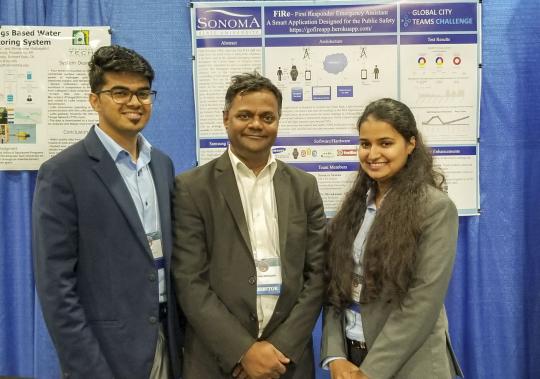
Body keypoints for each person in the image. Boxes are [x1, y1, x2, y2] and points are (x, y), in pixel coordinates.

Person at [32, 45, 183, 379]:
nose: (134, 102)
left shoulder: (162, 164)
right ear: (94, 100)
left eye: (143, 93)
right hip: (105, 352)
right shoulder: (63, 173)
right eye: (120, 92)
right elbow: (56, 286)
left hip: (166, 340)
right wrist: (87, 368)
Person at [172, 72, 326, 379]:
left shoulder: (304, 186)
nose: (256, 124)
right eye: (245, 115)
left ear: (278, 121)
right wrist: (243, 351)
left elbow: (318, 275)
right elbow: (189, 280)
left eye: (267, 117)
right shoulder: (192, 188)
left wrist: (277, 350)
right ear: (226, 119)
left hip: (287, 362)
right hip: (217, 361)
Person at [321, 98, 464, 379]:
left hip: (410, 365)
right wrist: (335, 354)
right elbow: (334, 286)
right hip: (352, 360)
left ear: (410, 144)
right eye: (365, 144)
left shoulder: (435, 208)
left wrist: (371, 371)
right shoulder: (354, 207)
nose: (373, 154)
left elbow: (423, 302)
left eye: (385, 143)